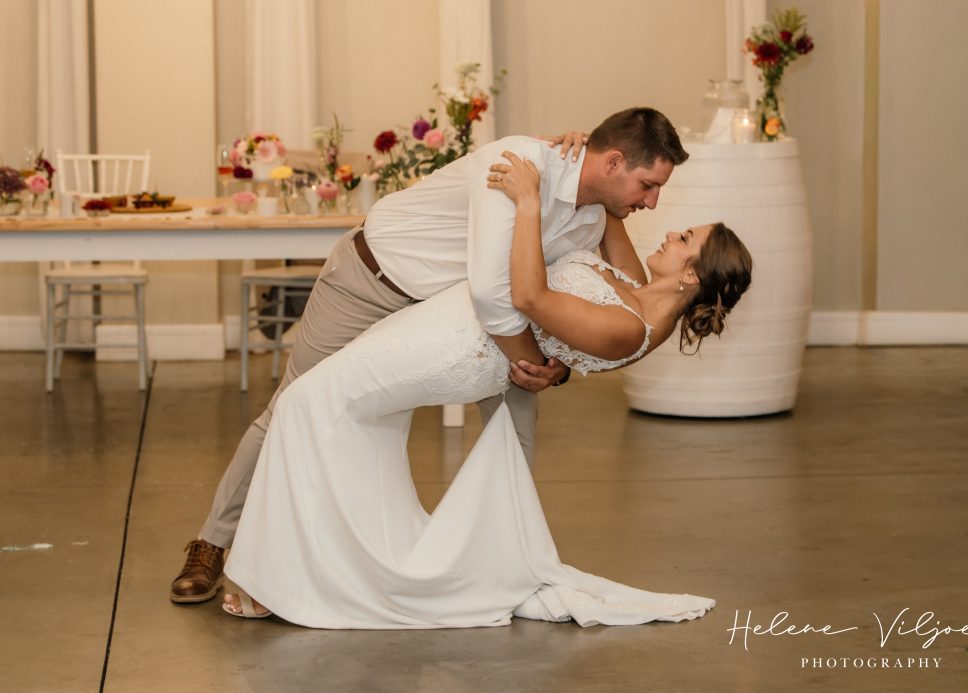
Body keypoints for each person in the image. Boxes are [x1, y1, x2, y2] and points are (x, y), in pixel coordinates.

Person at [171, 108, 690, 604]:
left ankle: (500, 564)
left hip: (458, 320)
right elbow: (494, 293)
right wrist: (535, 363)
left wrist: (556, 367)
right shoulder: (516, 165)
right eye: (648, 185)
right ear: (613, 161)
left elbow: (616, 300)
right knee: (289, 405)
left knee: (516, 428)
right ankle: (211, 543)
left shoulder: (594, 219)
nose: (653, 201)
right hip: (372, 283)